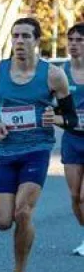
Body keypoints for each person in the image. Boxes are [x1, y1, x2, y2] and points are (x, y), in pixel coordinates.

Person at [0, 17, 76, 272]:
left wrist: (53, 116)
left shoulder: (53, 75)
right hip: (6, 153)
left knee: (23, 211)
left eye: (25, 36)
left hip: (37, 150)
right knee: (3, 221)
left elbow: (70, 117)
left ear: (36, 41)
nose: (19, 41)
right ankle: (22, 239)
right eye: (15, 36)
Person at [59, 22, 84, 255]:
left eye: (80, 40)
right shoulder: (62, 73)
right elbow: (52, 107)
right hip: (72, 140)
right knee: (75, 196)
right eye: (71, 40)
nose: (74, 45)